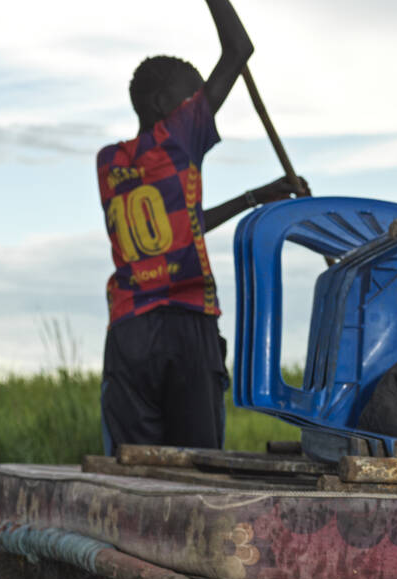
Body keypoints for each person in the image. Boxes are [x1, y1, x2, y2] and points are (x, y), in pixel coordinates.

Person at [96, 0, 306, 455]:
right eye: (190, 97)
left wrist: (256, 196)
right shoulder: (180, 136)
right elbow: (238, 49)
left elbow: (183, 226)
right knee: (198, 460)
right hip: (184, 323)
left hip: (130, 330)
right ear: (160, 105)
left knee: (135, 465)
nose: (200, 105)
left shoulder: (111, 162)